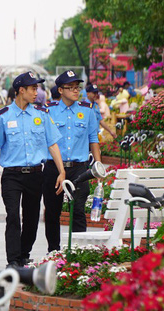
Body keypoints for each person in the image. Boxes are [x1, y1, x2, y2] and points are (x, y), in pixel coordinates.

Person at [0, 71, 65, 268]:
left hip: (36, 174)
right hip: (12, 175)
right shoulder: (2, 116)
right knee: (13, 215)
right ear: (21, 90)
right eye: (33, 88)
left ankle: (23, 253)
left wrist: (62, 171)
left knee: (31, 217)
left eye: (37, 88)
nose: (36, 92)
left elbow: (53, 144)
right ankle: (12, 259)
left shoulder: (41, 115)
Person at [42, 71, 101, 252]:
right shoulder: (48, 111)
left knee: (78, 211)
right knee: (52, 212)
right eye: (71, 88)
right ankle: (53, 250)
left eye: (78, 87)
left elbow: (93, 139)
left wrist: (98, 167)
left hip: (79, 168)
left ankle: (77, 250)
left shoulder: (87, 109)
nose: (76, 91)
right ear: (60, 90)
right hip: (53, 168)